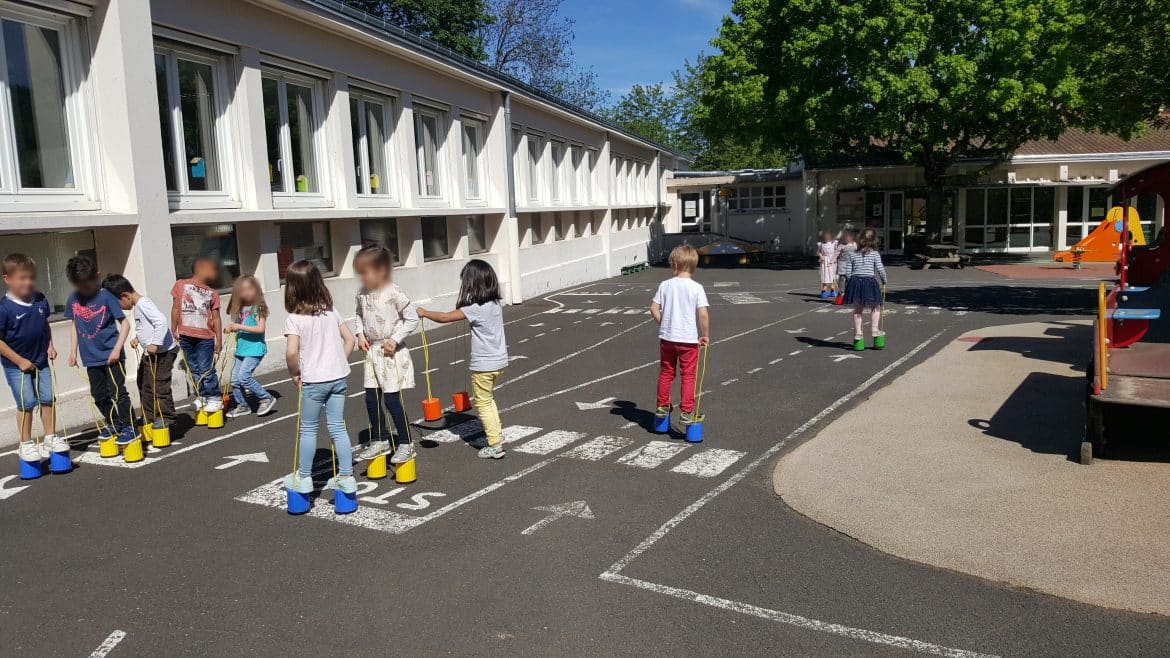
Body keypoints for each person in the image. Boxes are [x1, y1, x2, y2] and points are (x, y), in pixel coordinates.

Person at [417, 260, 508, 460]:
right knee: (488, 400)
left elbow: (444, 317)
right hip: (499, 362)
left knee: (483, 404)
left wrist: (424, 312)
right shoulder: (494, 304)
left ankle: (495, 444)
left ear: (472, 285)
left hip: (484, 365)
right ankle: (497, 434)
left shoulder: (474, 309)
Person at [282, 260, 357, 495]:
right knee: (337, 426)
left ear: (292, 289)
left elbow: (292, 351)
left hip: (313, 381)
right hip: (338, 379)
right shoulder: (331, 311)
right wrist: (339, 362)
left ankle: (304, 476)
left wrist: (295, 372)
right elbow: (351, 340)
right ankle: (346, 476)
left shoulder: (295, 318)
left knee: (308, 429)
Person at [352, 244, 418, 464]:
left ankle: (406, 443)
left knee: (391, 400)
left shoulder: (394, 291)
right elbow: (358, 315)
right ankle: (380, 439)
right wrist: (359, 334)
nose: (361, 277)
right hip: (372, 352)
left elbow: (412, 319)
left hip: (391, 354)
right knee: (371, 399)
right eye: (359, 272)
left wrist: (395, 339)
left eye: (365, 271)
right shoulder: (361, 293)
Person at [64, 255, 135, 445]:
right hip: (90, 357)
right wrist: (73, 352)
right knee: (99, 395)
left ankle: (129, 426)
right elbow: (74, 325)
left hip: (112, 355)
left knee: (118, 392)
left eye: (88, 284)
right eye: (80, 286)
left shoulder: (106, 296)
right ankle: (113, 423)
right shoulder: (73, 299)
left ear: (97, 276)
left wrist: (117, 349)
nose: (85, 290)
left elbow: (125, 324)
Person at [0, 254, 64, 461]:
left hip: (40, 360)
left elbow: (43, 324)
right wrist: (19, 361)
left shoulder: (40, 299)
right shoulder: (4, 308)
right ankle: (26, 443)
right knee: (27, 402)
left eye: (30, 278)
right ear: (7, 279)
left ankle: (50, 437)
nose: (28, 282)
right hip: (16, 365)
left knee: (48, 398)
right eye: (22, 278)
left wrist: (50, 345)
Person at [103, 274, 179, 430]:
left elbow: (161, 322)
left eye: (118, 304)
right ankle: (148, 416)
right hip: (150, 353)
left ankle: (167, 416)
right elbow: (147, 326)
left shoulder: (144, 304)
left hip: (163, 353)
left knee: (159, 384)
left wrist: (155, 344)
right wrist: (138, 338)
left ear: (125, 296)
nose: (119, 309)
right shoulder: (138, 306)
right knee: (144, 383)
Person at [650, 244, 710, 428]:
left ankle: (662, 406)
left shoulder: (665, 285)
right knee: (688, 375)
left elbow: (653, 308)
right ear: (693, 266)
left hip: (667, 339)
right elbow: (703, 314)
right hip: (688, 341)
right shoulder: (696, 288)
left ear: (675, 264)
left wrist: (664, 323)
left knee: (667, 373)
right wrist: (705, 335)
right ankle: (686, 412)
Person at [171, 257, 223, 415]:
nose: (215, 273)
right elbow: (175, 308)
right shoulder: (180, 285)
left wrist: (218, 340)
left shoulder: (212, 293)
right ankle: (202, 396)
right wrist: (173, 327)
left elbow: (216, 318)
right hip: (186, 335)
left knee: (206, 369)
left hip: (205, 337)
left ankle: (214, 398)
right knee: (193, 369)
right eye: (212, 268)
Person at [225, 275, 275, 418]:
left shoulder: (258, 308)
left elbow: (260, 329)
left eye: (249, 289)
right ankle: (243, 405)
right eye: (242, 290)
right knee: (235, 379)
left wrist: (239, 326)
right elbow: (238, 323)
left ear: (256, 290)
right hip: (242, 349)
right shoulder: (240, 308)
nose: (246, 292)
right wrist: (232, 328)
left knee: (244, 377)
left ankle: (266, 397)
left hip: (254, 349)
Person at [844, 228, 888, 350]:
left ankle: (858, 334)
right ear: (874, 241)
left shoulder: (853, 253)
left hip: (855, 281)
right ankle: (875, 330)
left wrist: (850, 281)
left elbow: (848, 271)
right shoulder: (874, 254)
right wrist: (884, 279)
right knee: (876, 306)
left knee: (858, 309)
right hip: (869, 281)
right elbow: (880, 269)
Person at [817, 229, 840, 298]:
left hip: (832, 260)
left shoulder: (835, 243)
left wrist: (835, 259)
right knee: (825, 275)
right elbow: (819, 252)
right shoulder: (821, 244)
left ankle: (833, 289)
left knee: (833, 275)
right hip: (825, 261)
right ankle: (824, 290)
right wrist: (821, 256)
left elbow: (837, 251)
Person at [836, 230, 857, 303]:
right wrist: (831, 262)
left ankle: (849, 295)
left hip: (851, 265)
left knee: (849, 280)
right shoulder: (841, 246)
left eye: (848, 238)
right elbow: (836, 254)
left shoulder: (854, 245)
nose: (846, 239)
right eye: (845, 238)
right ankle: (841, 294)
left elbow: (858, 253)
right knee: (842, 279)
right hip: (842, 265)